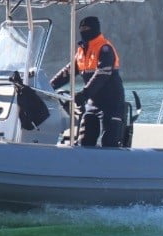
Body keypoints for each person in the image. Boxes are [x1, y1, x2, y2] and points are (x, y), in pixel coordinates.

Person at [49, 15, 126, 147]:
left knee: (109, 142)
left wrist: (84, 94)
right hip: (92, 103)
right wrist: (48, 87)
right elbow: (67, 72)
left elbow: (101, 75)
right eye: (82, 28)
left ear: (95, 28)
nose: (84, 31)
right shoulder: (81, 51)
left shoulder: (105, 48)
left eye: (87, 28)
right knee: (85, 140)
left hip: (111, 103)